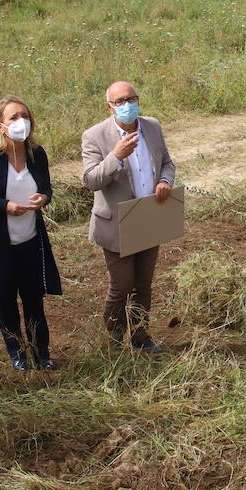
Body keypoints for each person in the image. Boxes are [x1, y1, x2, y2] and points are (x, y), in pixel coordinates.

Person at [0, 97, 61, 371]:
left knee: (34, 300)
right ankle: (17, 354)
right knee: (5, 300)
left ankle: (41, 353)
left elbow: (47, 188)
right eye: (14, 117)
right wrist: (5, 206)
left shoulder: (36, 154)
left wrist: (44, 198)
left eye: (25, 116)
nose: (21, 122)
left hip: (30, 241)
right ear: (1, 126)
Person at [80, 81, 175, 354]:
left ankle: (141, 335)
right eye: (120, 101)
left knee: (144, 283)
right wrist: (115, 157)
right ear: (109, 107)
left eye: (131, 99)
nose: (126, 105)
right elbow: (91, 180)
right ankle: (115, 340)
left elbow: (167, 162)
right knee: (121, 285)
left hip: (148, 215)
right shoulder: (95, 136)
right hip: (116, 222)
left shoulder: (152, 127)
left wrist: (165, 181)